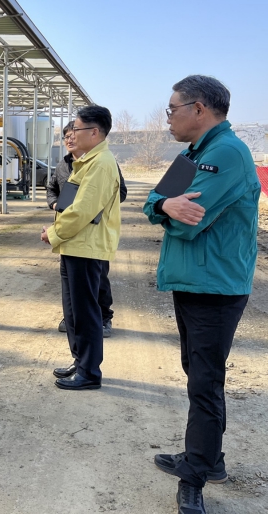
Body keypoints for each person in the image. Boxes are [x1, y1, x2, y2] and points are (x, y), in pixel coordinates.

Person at [143, 76, 260, 514]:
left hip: (215, 287)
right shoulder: (193, 153)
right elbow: (154, 202)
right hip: (195, 282)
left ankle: (194, 477)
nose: (168, 117)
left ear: (199, 109)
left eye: (172, 109)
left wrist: (167, 209)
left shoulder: (226, 153)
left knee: (205, 384)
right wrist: (163, 204)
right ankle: (209, 459)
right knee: (200, 376)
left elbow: (188, 222)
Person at [41, 105, 120, 391]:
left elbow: (82, 210)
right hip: (75, 245)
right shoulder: (88, 161)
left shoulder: (101, 164)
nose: (72, 134)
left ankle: (89, 372)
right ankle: (81, 361)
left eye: (77, 128)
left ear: (94, 132)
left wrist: (53, 233)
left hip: (87, 247)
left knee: (85, 313)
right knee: (73, 311)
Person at [47, 121, 128, 337]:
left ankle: (104, 317)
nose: (70, 139)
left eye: (74, 134)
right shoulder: (63, 166)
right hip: (70, 231)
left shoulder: (100, 163)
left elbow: (118, 193)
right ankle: (74, 319)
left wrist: (100, 206)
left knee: (99, 281)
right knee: (74, 289)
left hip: (92, 232)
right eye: (66, 136)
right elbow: (52, 189)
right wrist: (55, 204)